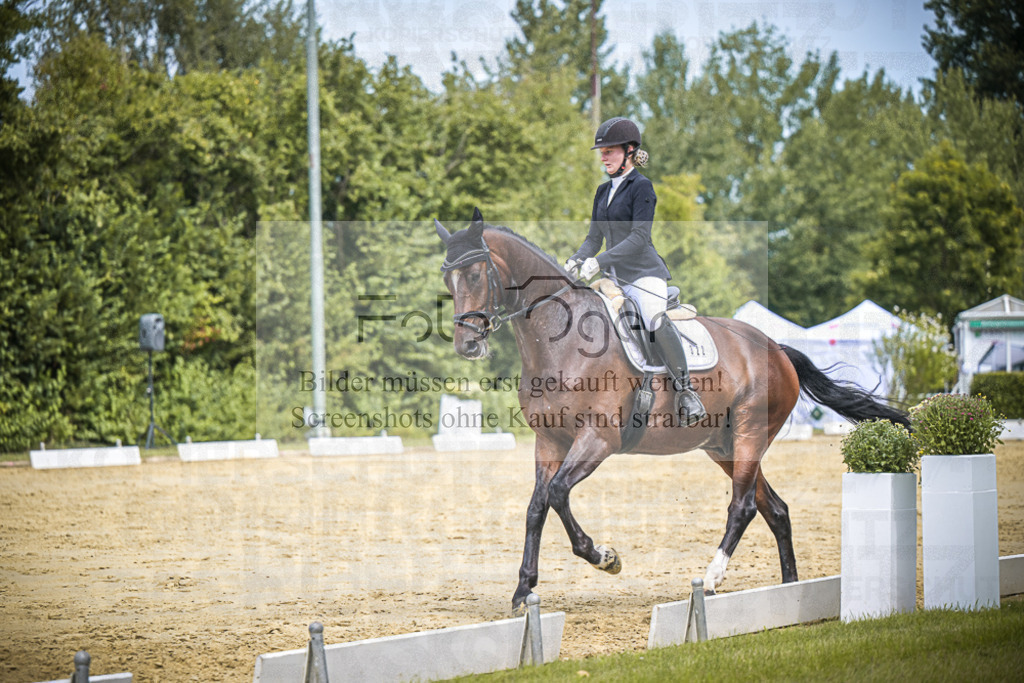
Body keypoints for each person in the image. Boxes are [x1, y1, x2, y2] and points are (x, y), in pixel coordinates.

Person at [564, 117, 706, 426]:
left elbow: (639, 238)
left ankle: (686, 391)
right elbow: (593, 238)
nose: (603, 157)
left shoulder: (642, 187)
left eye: (609, 151)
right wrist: (576, 259)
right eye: (601, 152)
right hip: (614, 278)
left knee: (653, 318)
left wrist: (598, 262)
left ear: (629, 151)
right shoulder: (602, 192)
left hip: (643, 273)